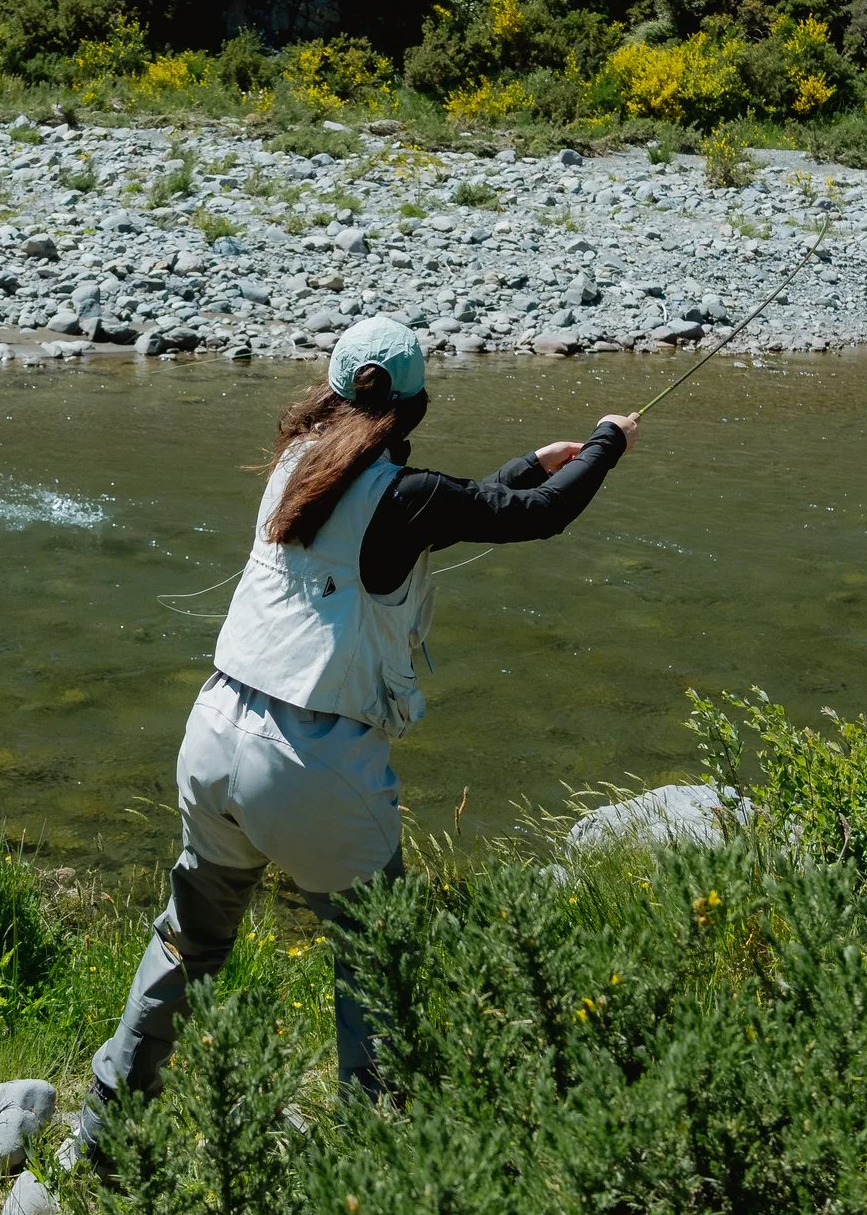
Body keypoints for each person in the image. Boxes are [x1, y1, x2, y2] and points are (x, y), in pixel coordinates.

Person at [67, 314, 641, 1163]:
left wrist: (528, 464)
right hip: (311, 764)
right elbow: (534, 519)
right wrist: (607, 441)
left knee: (187, 942)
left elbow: (431, 513)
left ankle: (103, 1133)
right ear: (412, 411)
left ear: (331, 393)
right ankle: (371, 1158)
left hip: (214, 733)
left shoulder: (296, 466)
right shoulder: (403, 495)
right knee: (377, 954)